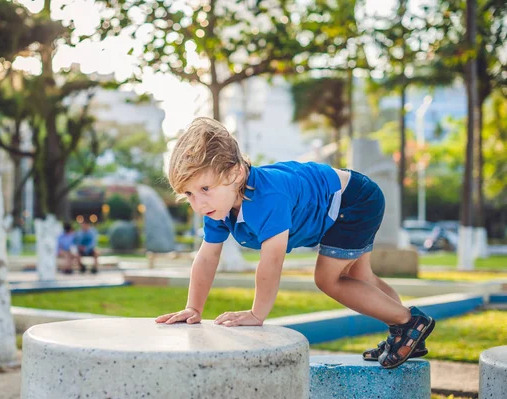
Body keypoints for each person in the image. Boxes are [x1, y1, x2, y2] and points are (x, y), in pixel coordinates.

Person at [155, 117, 435, 369]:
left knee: (328, 280)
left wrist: (256, 313)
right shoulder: (218, 204)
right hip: (350, 197)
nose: (199, 203)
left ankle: (410, 323)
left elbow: (272, 260)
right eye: (189, 194)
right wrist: (193, 308)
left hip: (353, 201)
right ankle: (406, 333)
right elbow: (206, 257)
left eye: (205, 188)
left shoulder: (267, 198)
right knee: (360, 277)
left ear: (236, 174)